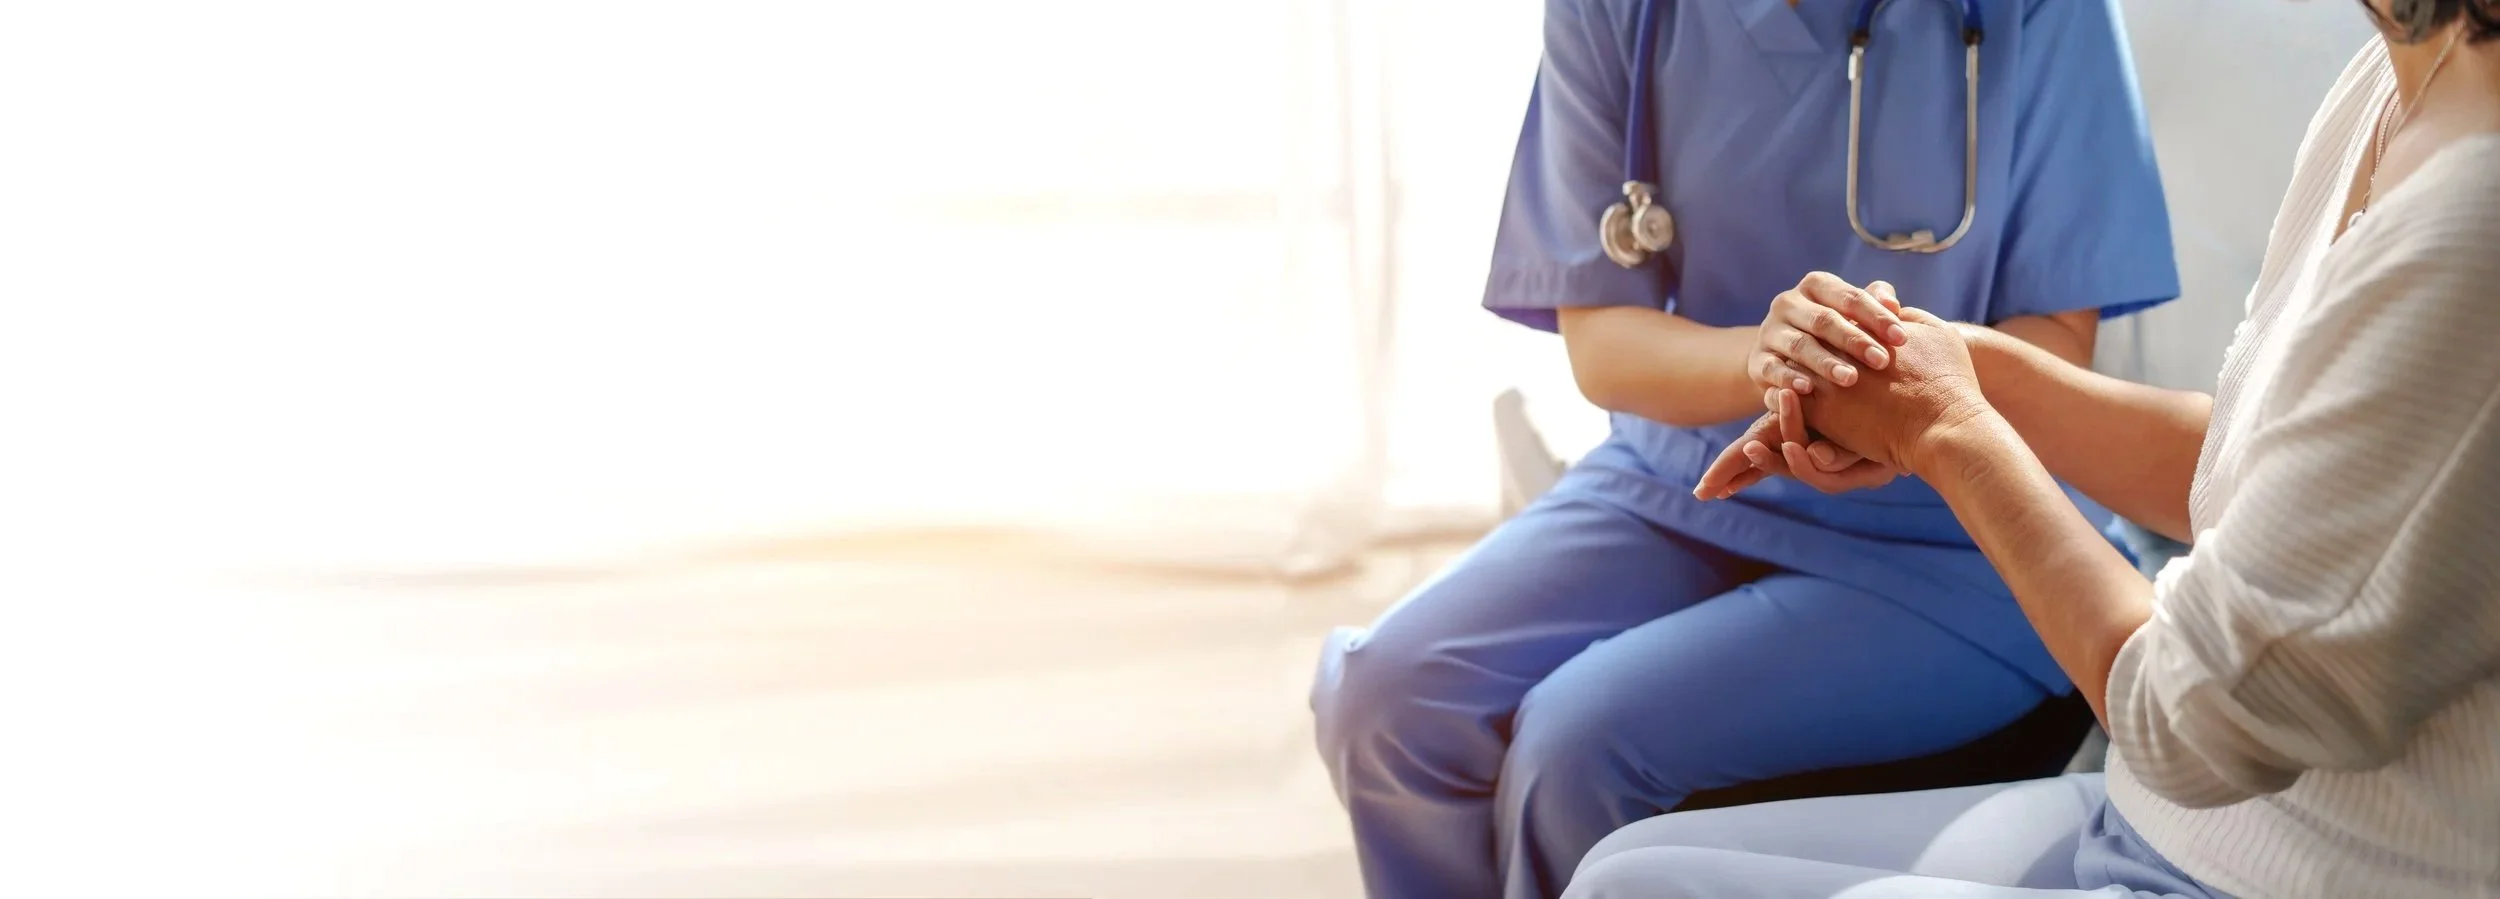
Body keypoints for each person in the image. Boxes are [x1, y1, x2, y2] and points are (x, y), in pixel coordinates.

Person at [1567, 5, 2500, 896]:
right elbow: (2257, 478)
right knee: (1621, 861)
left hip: (2283, 867)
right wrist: (1959, 366)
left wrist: (1949, 432)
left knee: (1614, 841)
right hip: (2151, 816)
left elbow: (2197, 716)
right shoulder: (2393, 76)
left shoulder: (2472, 219)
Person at [1307, 1, 2180, 897]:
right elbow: (1603, 342)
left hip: (1956, 533)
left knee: (1578, 748)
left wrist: (1876, 392)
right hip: (1679, 481)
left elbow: (2054, 345)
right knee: (1387, 698)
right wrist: (1774, 359)